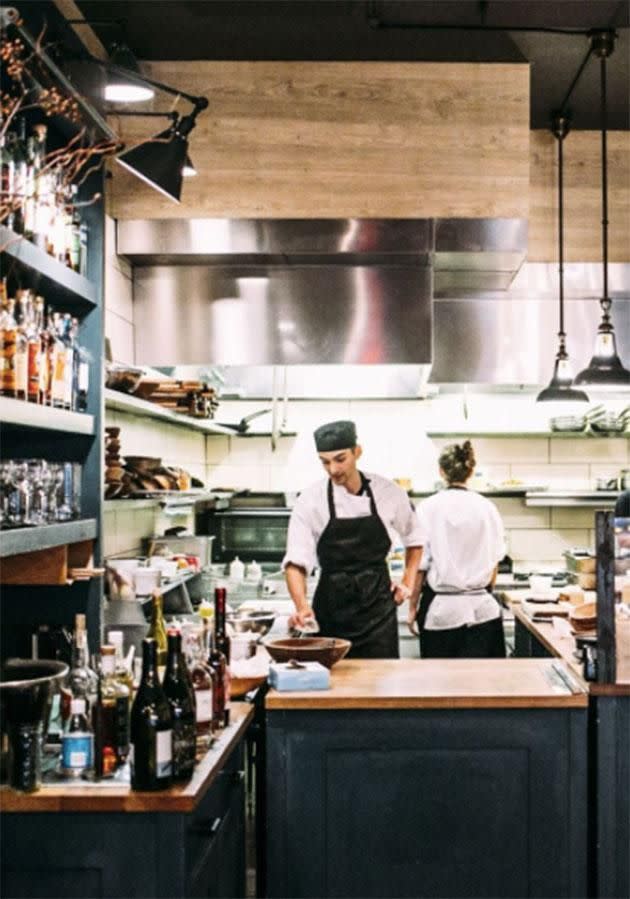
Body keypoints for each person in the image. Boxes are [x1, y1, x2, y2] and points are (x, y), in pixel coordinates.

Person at [283, 420, 423, 658]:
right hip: (331, 612)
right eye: (325, 462)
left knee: (380, 686)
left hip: (378, 612)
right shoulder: (310, 500)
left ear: (357, 452)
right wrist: (302, 607)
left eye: (340, 459)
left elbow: (415, 538)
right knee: (332, 687)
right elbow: (295, 562)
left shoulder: (388, 493)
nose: (333, 470)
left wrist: (408, 583)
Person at [407, 440, 506, 658]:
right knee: (485, 685)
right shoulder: (487, 507)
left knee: (443, 685)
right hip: (483, 611)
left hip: (442, 613)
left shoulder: (428, 508)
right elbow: (495, 563)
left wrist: (412, 608)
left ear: (441, 471)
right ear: (470, 472)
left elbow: (420, 567)